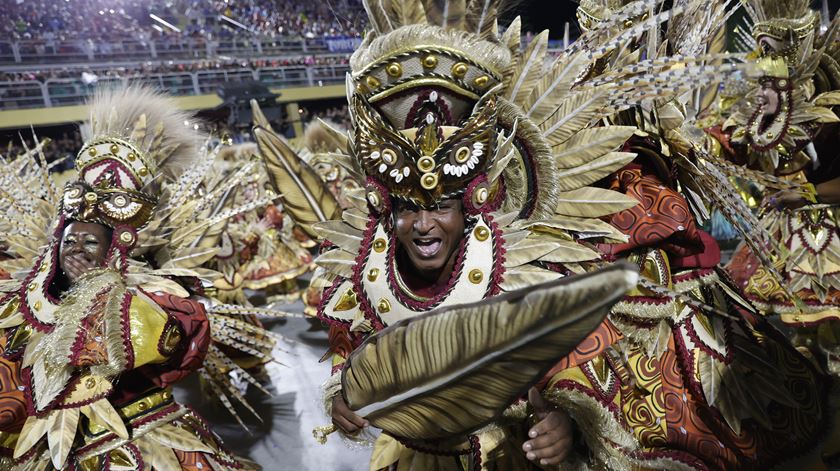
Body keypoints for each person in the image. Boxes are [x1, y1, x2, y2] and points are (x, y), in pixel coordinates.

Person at [256, 0, 833, 469]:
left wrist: (569, 423)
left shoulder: (551, 230)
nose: (423, 222)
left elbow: (568, 348)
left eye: (440, 205)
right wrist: (348, 396)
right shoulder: (380, 259)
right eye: (408, 206)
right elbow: (354, 346)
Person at [0, 86, 257, 470]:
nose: (77, 249)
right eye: (70, 240)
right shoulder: (26, 300)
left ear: (115, 247)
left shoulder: (147, 297)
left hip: (140, 437)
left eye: (91, 242)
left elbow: (176, 337)